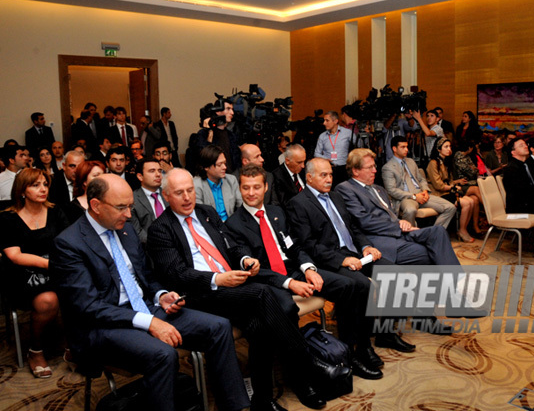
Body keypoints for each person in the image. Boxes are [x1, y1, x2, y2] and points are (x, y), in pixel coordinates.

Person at [147, 168, 349, 410]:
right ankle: (307, 361)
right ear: (166, 196)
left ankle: (262, 400)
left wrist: (245, 261)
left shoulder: (206, 213)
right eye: (179, 193)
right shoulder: (160, 229)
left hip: (232, 286)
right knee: (263, 293)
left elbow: (232, 247)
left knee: (260, 326)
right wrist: (217, 279)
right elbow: (176, 274)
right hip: (200, 294)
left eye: (190, 190)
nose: (187, 197)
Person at [50, 174, 250, 411]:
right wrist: (151, 322)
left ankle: (235, 406)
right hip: (102, 325)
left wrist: (161, 295)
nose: (128, 214)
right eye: (121, 207)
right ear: (95, 206)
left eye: (130, 207)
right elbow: (87, 307)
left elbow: (146, 275)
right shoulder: (69, 244)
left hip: (145, 308)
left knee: (218, 326)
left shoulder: (125, 230)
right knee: (163, 355)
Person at [227, 164, 383, 379]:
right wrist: (288, 282)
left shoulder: (276, 213)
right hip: (271, 280)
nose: (251, 193)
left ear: (265, 187)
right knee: (288, 307)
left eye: (256, 187)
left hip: (294, 270)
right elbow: (247, 262)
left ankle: (351, 351)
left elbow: (295, 247)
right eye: (246, 188)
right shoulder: (233, 224)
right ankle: (301, 373)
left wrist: (308, 269)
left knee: (348, 285)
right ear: (240, 189)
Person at [286, 157, 417, 353]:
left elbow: (353, 227)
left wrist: (366, 246)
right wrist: (343, 260)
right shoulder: (298, 203)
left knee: (395, 274)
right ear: (309, 178)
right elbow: (308, 245)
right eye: (323, 175)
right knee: (361, 285)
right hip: (331, 258)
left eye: (330, 174)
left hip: (355, 252)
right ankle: (362, 346)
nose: (329, 179)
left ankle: (386, 335)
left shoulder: (336, 196)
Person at [336, 150, 462, 268]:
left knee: (438, 232)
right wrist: (397, 226)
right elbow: (364, 221)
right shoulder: (346, 189)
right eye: (370, 167)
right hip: (381, 239)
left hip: (399, 232)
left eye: (374, 166)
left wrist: (402, 222)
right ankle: (450, 286)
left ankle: (449, 283)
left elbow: (391, 214)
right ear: (355, 171)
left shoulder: (378, 188)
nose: (375, 171)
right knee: (430, 252)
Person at [0, 168, 68, 378]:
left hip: (56, 268)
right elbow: (14, 256)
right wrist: (50, 264)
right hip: (22, 274)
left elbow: (69, 243)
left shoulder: (56, 211)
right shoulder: (7, 219)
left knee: (81, 288)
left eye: (45, 184)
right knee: (48, 300)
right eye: (35, 185)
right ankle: (35, 351)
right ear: (22, 190)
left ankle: (72, 345)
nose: (42, 189)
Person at [382, 136, 456, 228]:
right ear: (394, 149)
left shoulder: (411, 161)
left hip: (422, 194)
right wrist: (414, 196)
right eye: (402, 147)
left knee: (450, 208)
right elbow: (392, 190)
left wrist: (425, 190)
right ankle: (411, 236)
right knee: (410, 210)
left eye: (407, 147)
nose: (406, 150)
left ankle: (433, 234)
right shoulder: (388, 167)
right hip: (406, 197)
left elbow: (421, 179)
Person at [426, 138, 479, 242]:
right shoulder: (433, 163)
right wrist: (453, 187)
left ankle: (464, 229)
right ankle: (462, 231)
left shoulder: (446, 162)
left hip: (446, 191)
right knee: (467, 203)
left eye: (450, 146)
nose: (449, 149)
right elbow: (439, 186)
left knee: (472, 200)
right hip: (438, 194)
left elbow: (448, 181)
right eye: (446, 147)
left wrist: (455, 182)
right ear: (438, 149)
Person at [193, 145, 241, 221]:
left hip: (231, 224)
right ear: (206, 167)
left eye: (224, 163)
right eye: (219, 164)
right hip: (210, 226)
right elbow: (200, 215)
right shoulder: (196, 185)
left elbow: (240, 206)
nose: (224, 167)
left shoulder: (231, 180)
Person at [131, 157, 167, 244]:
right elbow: (137, 231)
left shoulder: (169, 194)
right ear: (140, 177)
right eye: (152, 171)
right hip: (150, 247)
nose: (158, 174)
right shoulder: (132, 200)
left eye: (159, 171)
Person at [314, 111, 352, 187]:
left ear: (335, 121)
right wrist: (326, 158)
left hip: (344, 169)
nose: (324, 123)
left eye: (327, 120)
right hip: (329, 169)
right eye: (324, 120)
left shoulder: (348, 133)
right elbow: (316, 153)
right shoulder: (322, 136)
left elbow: (360, 145)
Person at [62, 160, 105, 225]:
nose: (102, 179)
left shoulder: (110, 201)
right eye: (96, 176)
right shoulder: (72, 208)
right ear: (84, 181)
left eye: (103, 175)